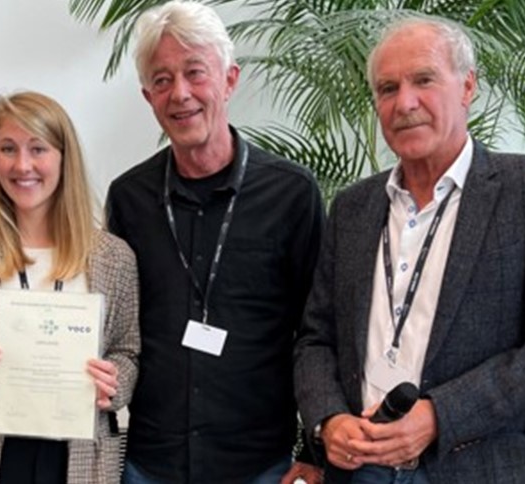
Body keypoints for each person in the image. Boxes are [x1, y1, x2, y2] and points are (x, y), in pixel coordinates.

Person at [293, 16, 525, 483]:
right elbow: (316, 338)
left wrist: (439, 415)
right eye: (387, 88)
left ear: (467, 86)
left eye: (423, 80)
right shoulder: (353, 206)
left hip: (480, 466)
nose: (404, 103)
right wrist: (328, 419)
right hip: (361, 470)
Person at [104, 2, 325, 483]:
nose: (180, 94)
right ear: (148, 97)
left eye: (194, 73)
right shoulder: (129, 199)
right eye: (162, 80)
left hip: (261, 463)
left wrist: (315, 448)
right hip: (149, 462)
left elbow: (319, 329)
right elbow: (115, 326)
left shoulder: (292, 193)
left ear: (229, 80)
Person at [0, 91, 141, 484]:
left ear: (63, 158)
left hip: (79, 457)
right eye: (7, 149)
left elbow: (128, 351)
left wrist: (115, 383)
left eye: (37, 148)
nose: (22, 165)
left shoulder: (114, 257)